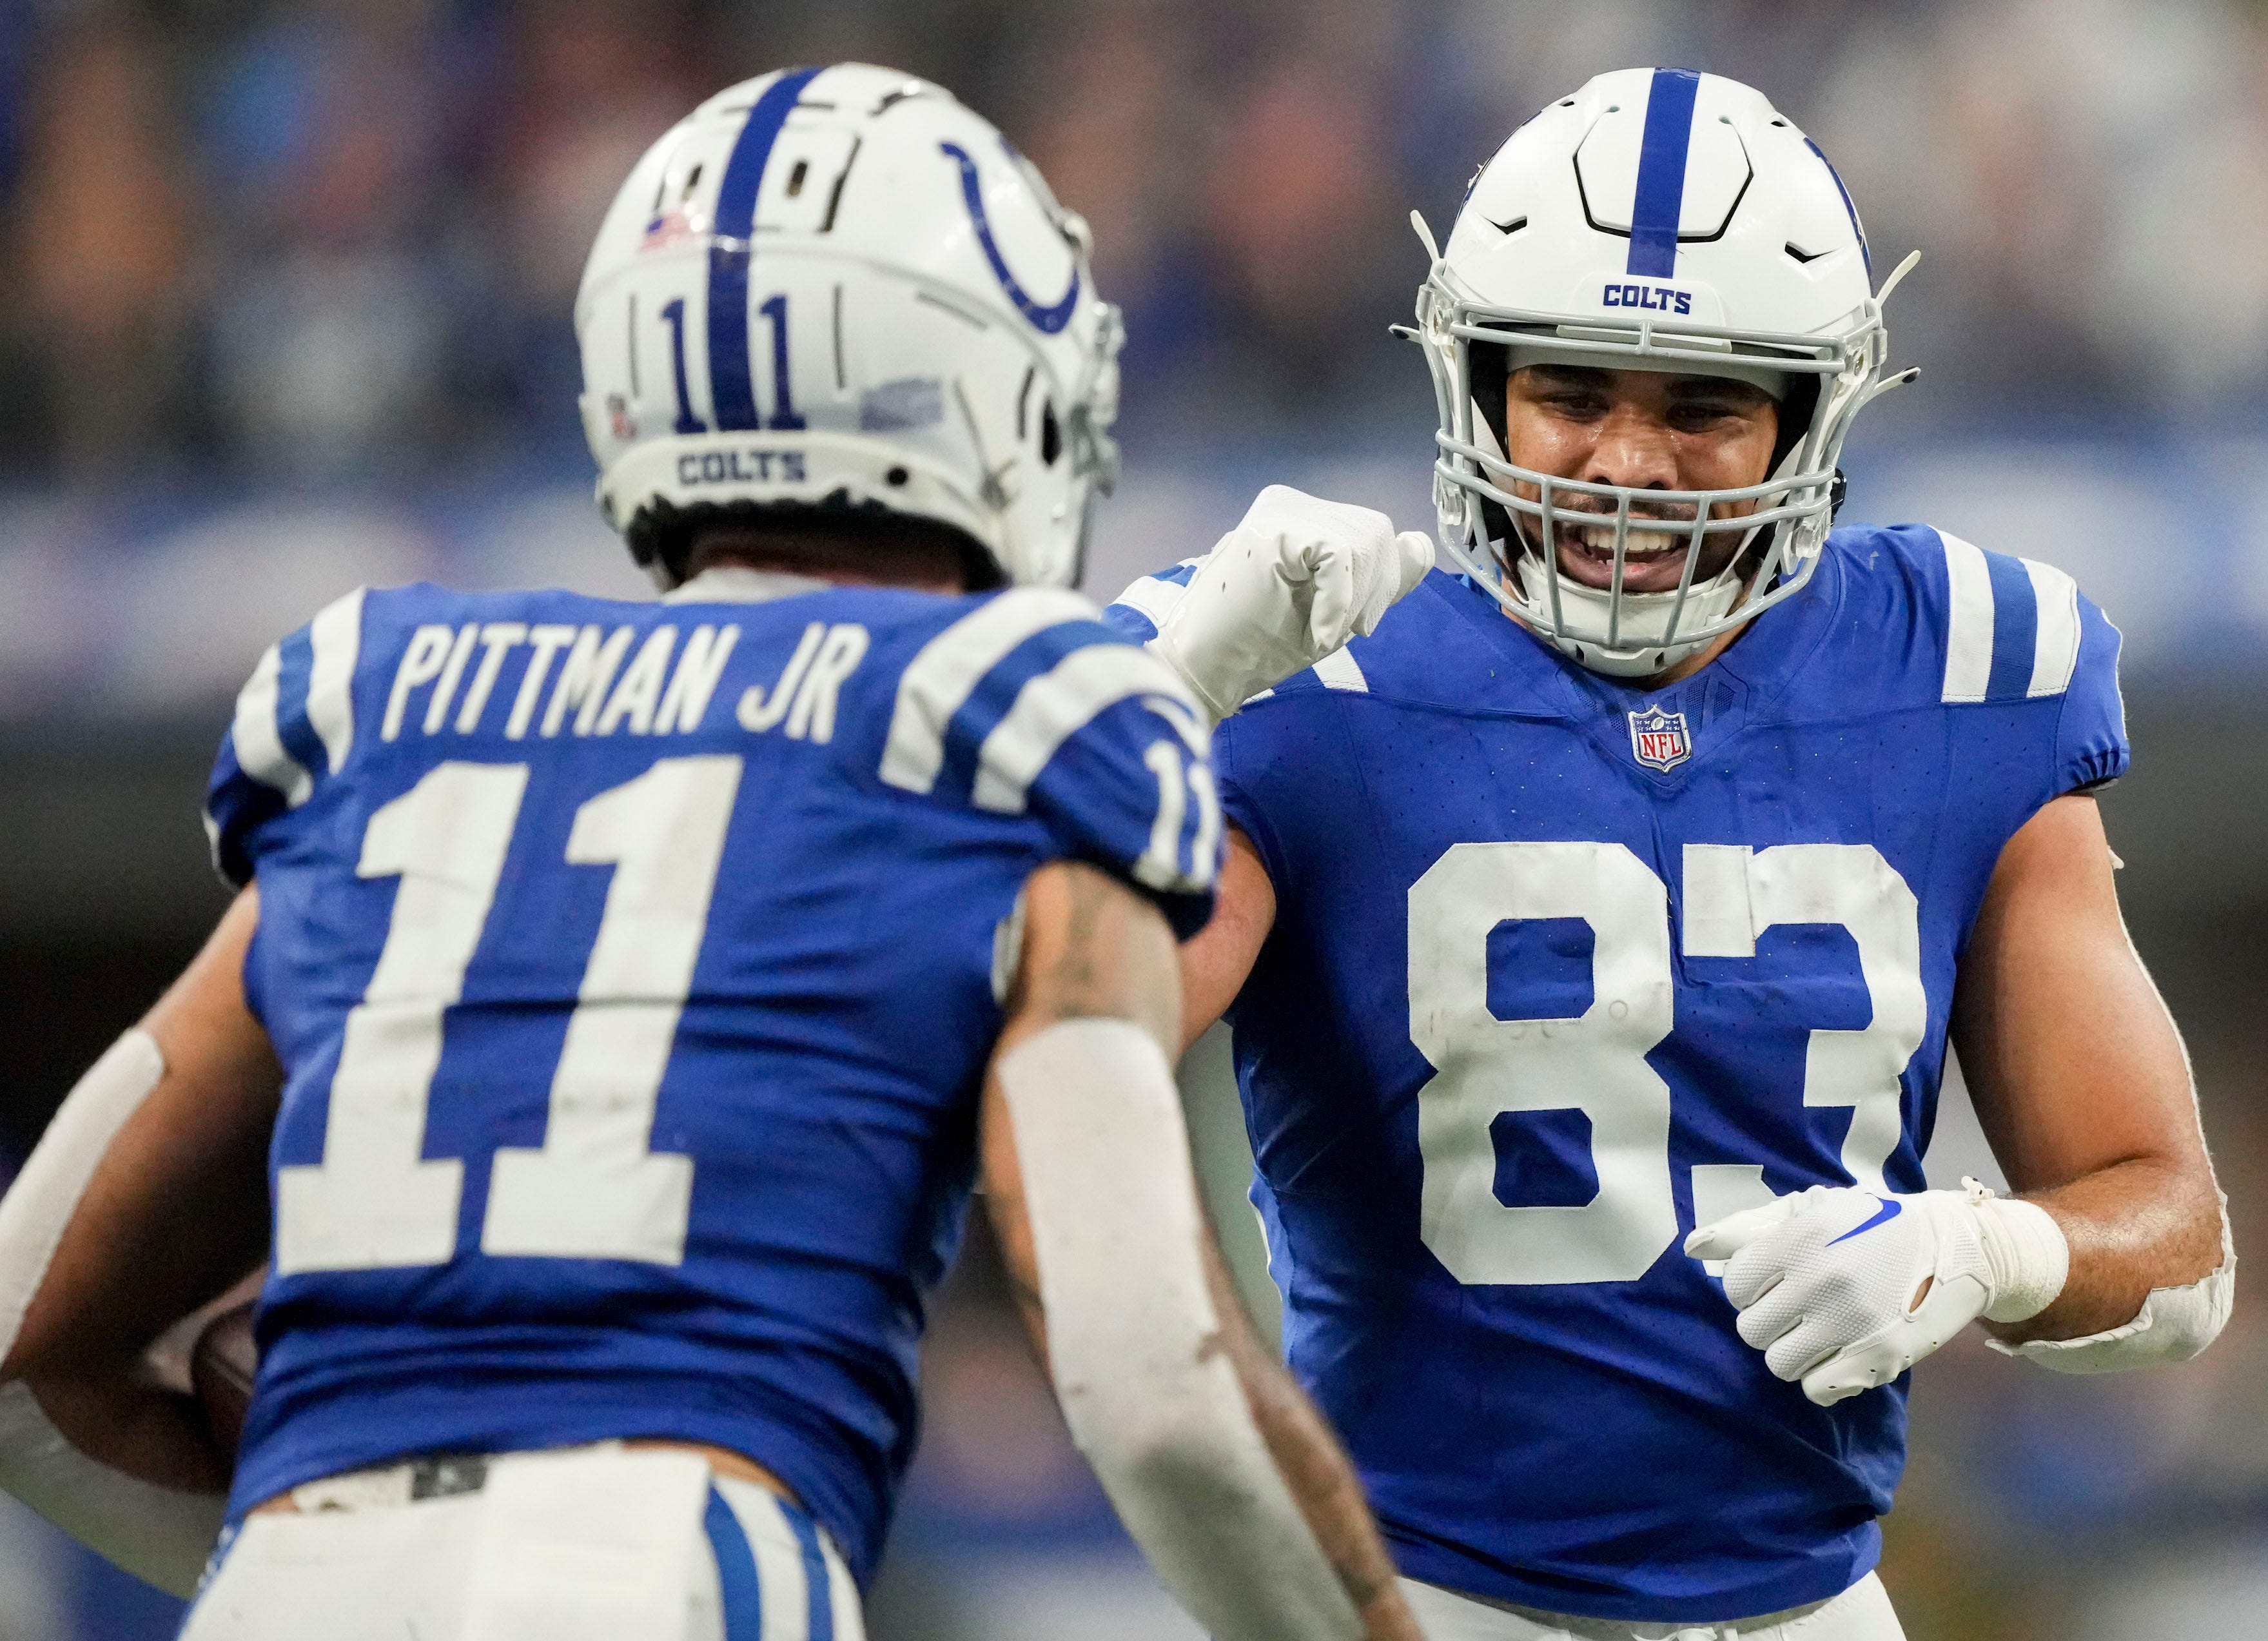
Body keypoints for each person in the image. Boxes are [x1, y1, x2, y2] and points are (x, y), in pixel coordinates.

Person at [0, 64, 1424, 1641]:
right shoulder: (1034, 725)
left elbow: (23, 1352)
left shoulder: (398, 701)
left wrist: (353, 1560)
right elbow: (1153, 1387)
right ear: (1002, 396)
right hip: (676, 1566)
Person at [1104, 67, 2233, 1640]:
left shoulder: (1970, 665)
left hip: (1811, 1603)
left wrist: (1982, 1249)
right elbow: (1049, 1052)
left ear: (1812, 417)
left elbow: (2176, 1248)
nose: (1628, 464)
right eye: (1572, 392)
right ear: (1474, 383)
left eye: (1702, 407)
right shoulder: (1305, 662)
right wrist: (1146, 733)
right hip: (1416, 1595)